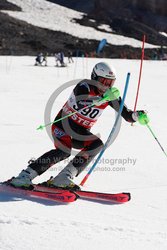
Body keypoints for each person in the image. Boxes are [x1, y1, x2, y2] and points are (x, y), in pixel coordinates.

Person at [10, 62, 148, 190]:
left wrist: (137, 116)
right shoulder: (84, 86)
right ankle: (24, 176)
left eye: (110, 83)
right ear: (94, 78)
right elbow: (82, 102)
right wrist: (102, 99)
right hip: (62, 126)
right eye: (103, 82)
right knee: (63, 151)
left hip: (80, 132)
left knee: (96, 144)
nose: (106, 86)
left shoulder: (109, 95)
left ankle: (63, 178)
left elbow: (127, 115)